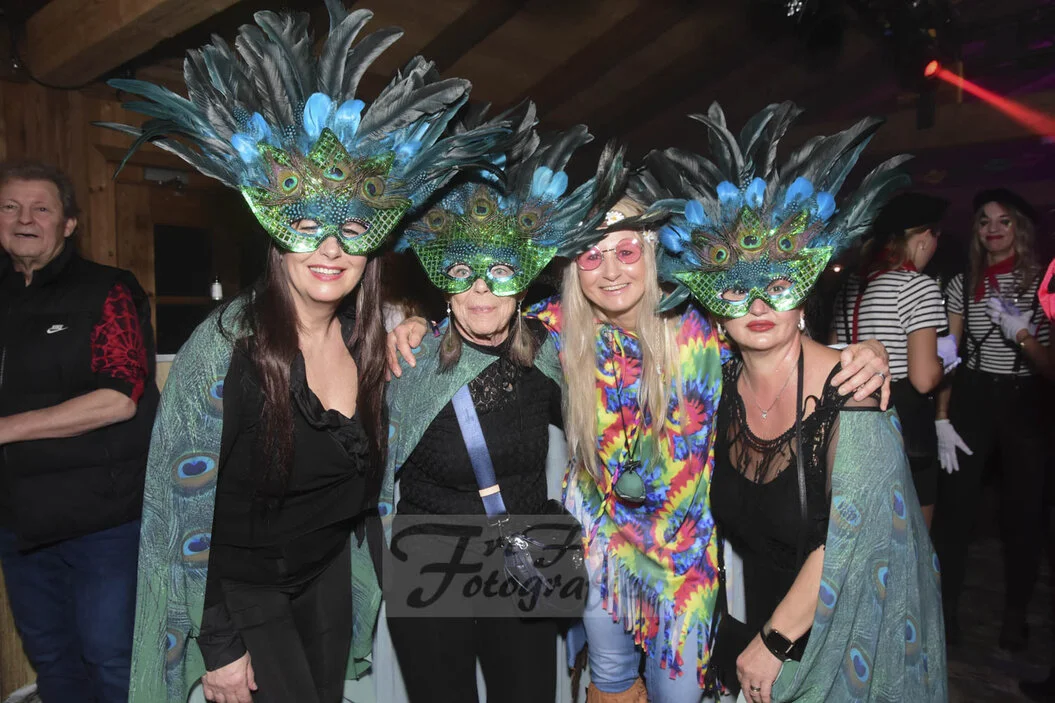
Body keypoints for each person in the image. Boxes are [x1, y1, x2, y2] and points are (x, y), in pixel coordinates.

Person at [387, 110, 893, 703]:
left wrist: (864, 353)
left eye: (626, 251)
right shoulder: (559, 332)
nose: (610, 271)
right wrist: (418, 324)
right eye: (591, 256)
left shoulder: (705, 329)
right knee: (609, 684)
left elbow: (773, 336)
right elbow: (482, 316)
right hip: (600, 554)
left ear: (651, 254)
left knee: (678, 692)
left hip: (683, 563)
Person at [98, 4, 505, 701]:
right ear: (274, 232)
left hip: (325, 577)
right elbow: (186, 516)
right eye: (307, 224)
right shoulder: (223, 349)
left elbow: (468, 356)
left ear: (373, 245)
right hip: (245, 591)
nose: (330, 249)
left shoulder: (369, 341)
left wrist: (419, 321)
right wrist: (219, 644)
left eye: (352, 230)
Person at [650, 103, 946, 702]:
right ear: (714, 308)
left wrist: (775, 641)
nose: (758, 306)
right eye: (737, 288)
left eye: (778, 284)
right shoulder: (716, 385)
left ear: (804, 294)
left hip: (838, 637)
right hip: (753, 622)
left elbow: (856, 538)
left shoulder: (853, 390)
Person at [379, 106, 621, 702]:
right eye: (465, 272)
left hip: (522, 558)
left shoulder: (550, 353)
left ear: (523, 282)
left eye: (499, 272)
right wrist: (405, 326)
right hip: (428, 560)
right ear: (445, 284)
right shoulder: (411, 361)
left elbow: (619, 407)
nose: (482, 289)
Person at [0, 161, 158, 703]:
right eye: (10, 207)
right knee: (53, 663)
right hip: (18, 521)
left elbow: (119, 398)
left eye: (41, 208)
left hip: (102, 521)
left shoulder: (106, 290)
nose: (24, 219)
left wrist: (6, 429)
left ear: (68, 223)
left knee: (111, 659)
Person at [932, 187, 1053, 650]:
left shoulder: (1044, 281)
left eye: (1003, 220)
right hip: (974, 396)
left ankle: (1016, 617)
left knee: (1024, 513)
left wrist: (1022, 334)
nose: (993, 229)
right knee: (956, 511)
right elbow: (950, 357)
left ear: (1020, 226)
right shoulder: (964, 283)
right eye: (984, 221)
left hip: (1026, 399)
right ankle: (945, 615)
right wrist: (942, 416)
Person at [831, 191, 956, 526]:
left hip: (853, 416)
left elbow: (833, 353)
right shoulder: (918, 287)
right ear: (924, 237)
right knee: (913, 534)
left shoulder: (851, 288)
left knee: (868, 526)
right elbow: (923, 379)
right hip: (903, 422)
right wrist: (947, 360)